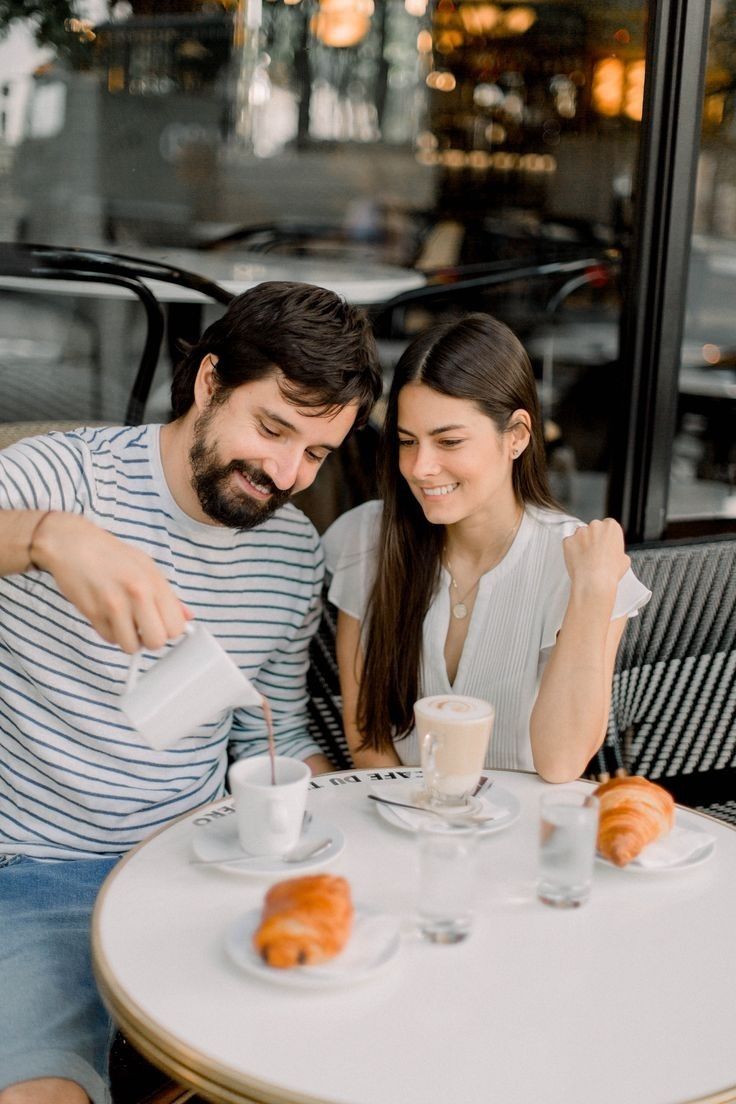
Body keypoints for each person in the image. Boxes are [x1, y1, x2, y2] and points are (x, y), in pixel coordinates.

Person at [0, 281, 382, 1104]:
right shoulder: (62, 481)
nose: (285, 473)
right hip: (36, 873)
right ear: (209, 382)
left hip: (202, 870)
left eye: (316, 455)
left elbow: (262, 736)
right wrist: (44, 538)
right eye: (273, 428)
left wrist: (336, 823)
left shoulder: (291, 553)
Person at [324, 313, 650, 782]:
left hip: (523, 837)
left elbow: (560, 763)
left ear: (517, 435)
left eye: (449, 441)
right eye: (407, 441)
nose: (420, 467)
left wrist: (593, 592)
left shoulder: (580, 565)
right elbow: (369, 742)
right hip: (401, 821)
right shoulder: (368, 539)